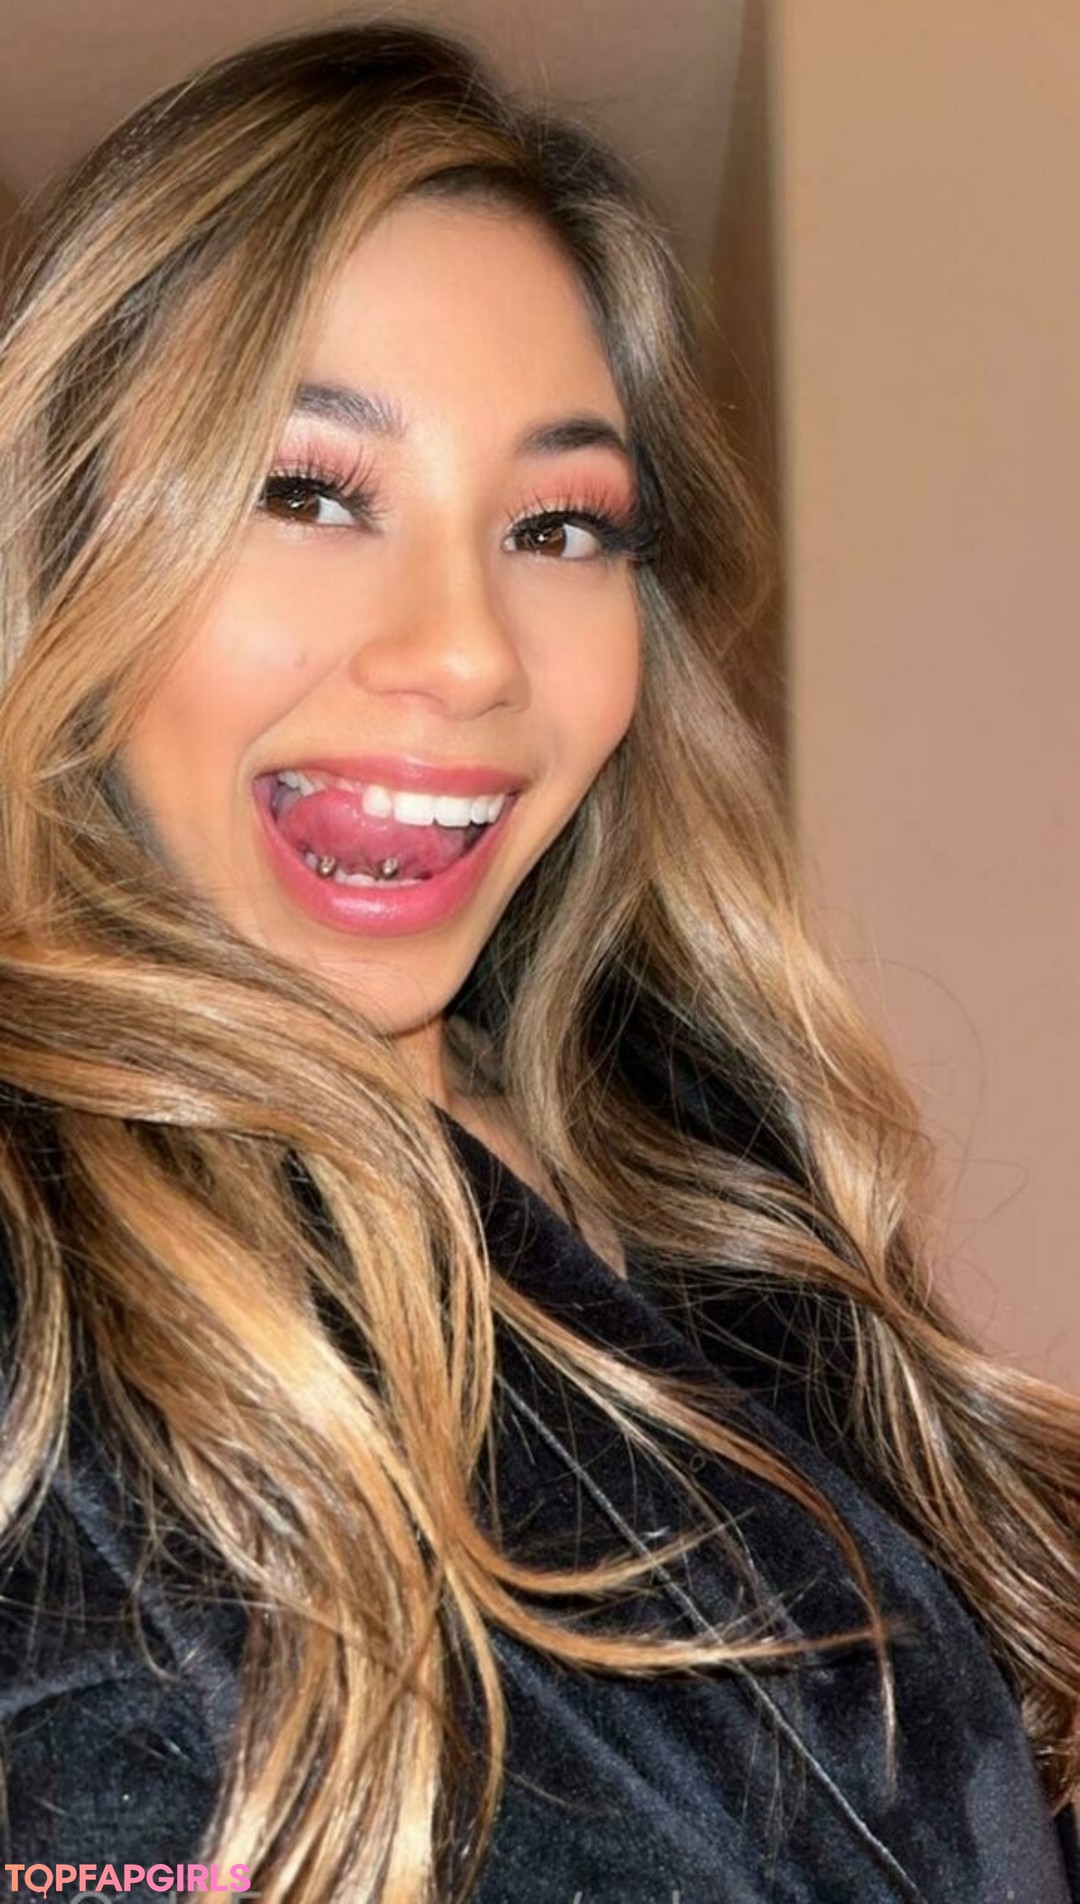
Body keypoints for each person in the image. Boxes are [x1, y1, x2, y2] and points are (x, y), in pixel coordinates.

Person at [0, 22, 1076, 1904]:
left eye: (559, 525)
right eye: (308, 491)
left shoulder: (716, 1165)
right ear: (67, 540)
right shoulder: (48, 1286)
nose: (469, 651)